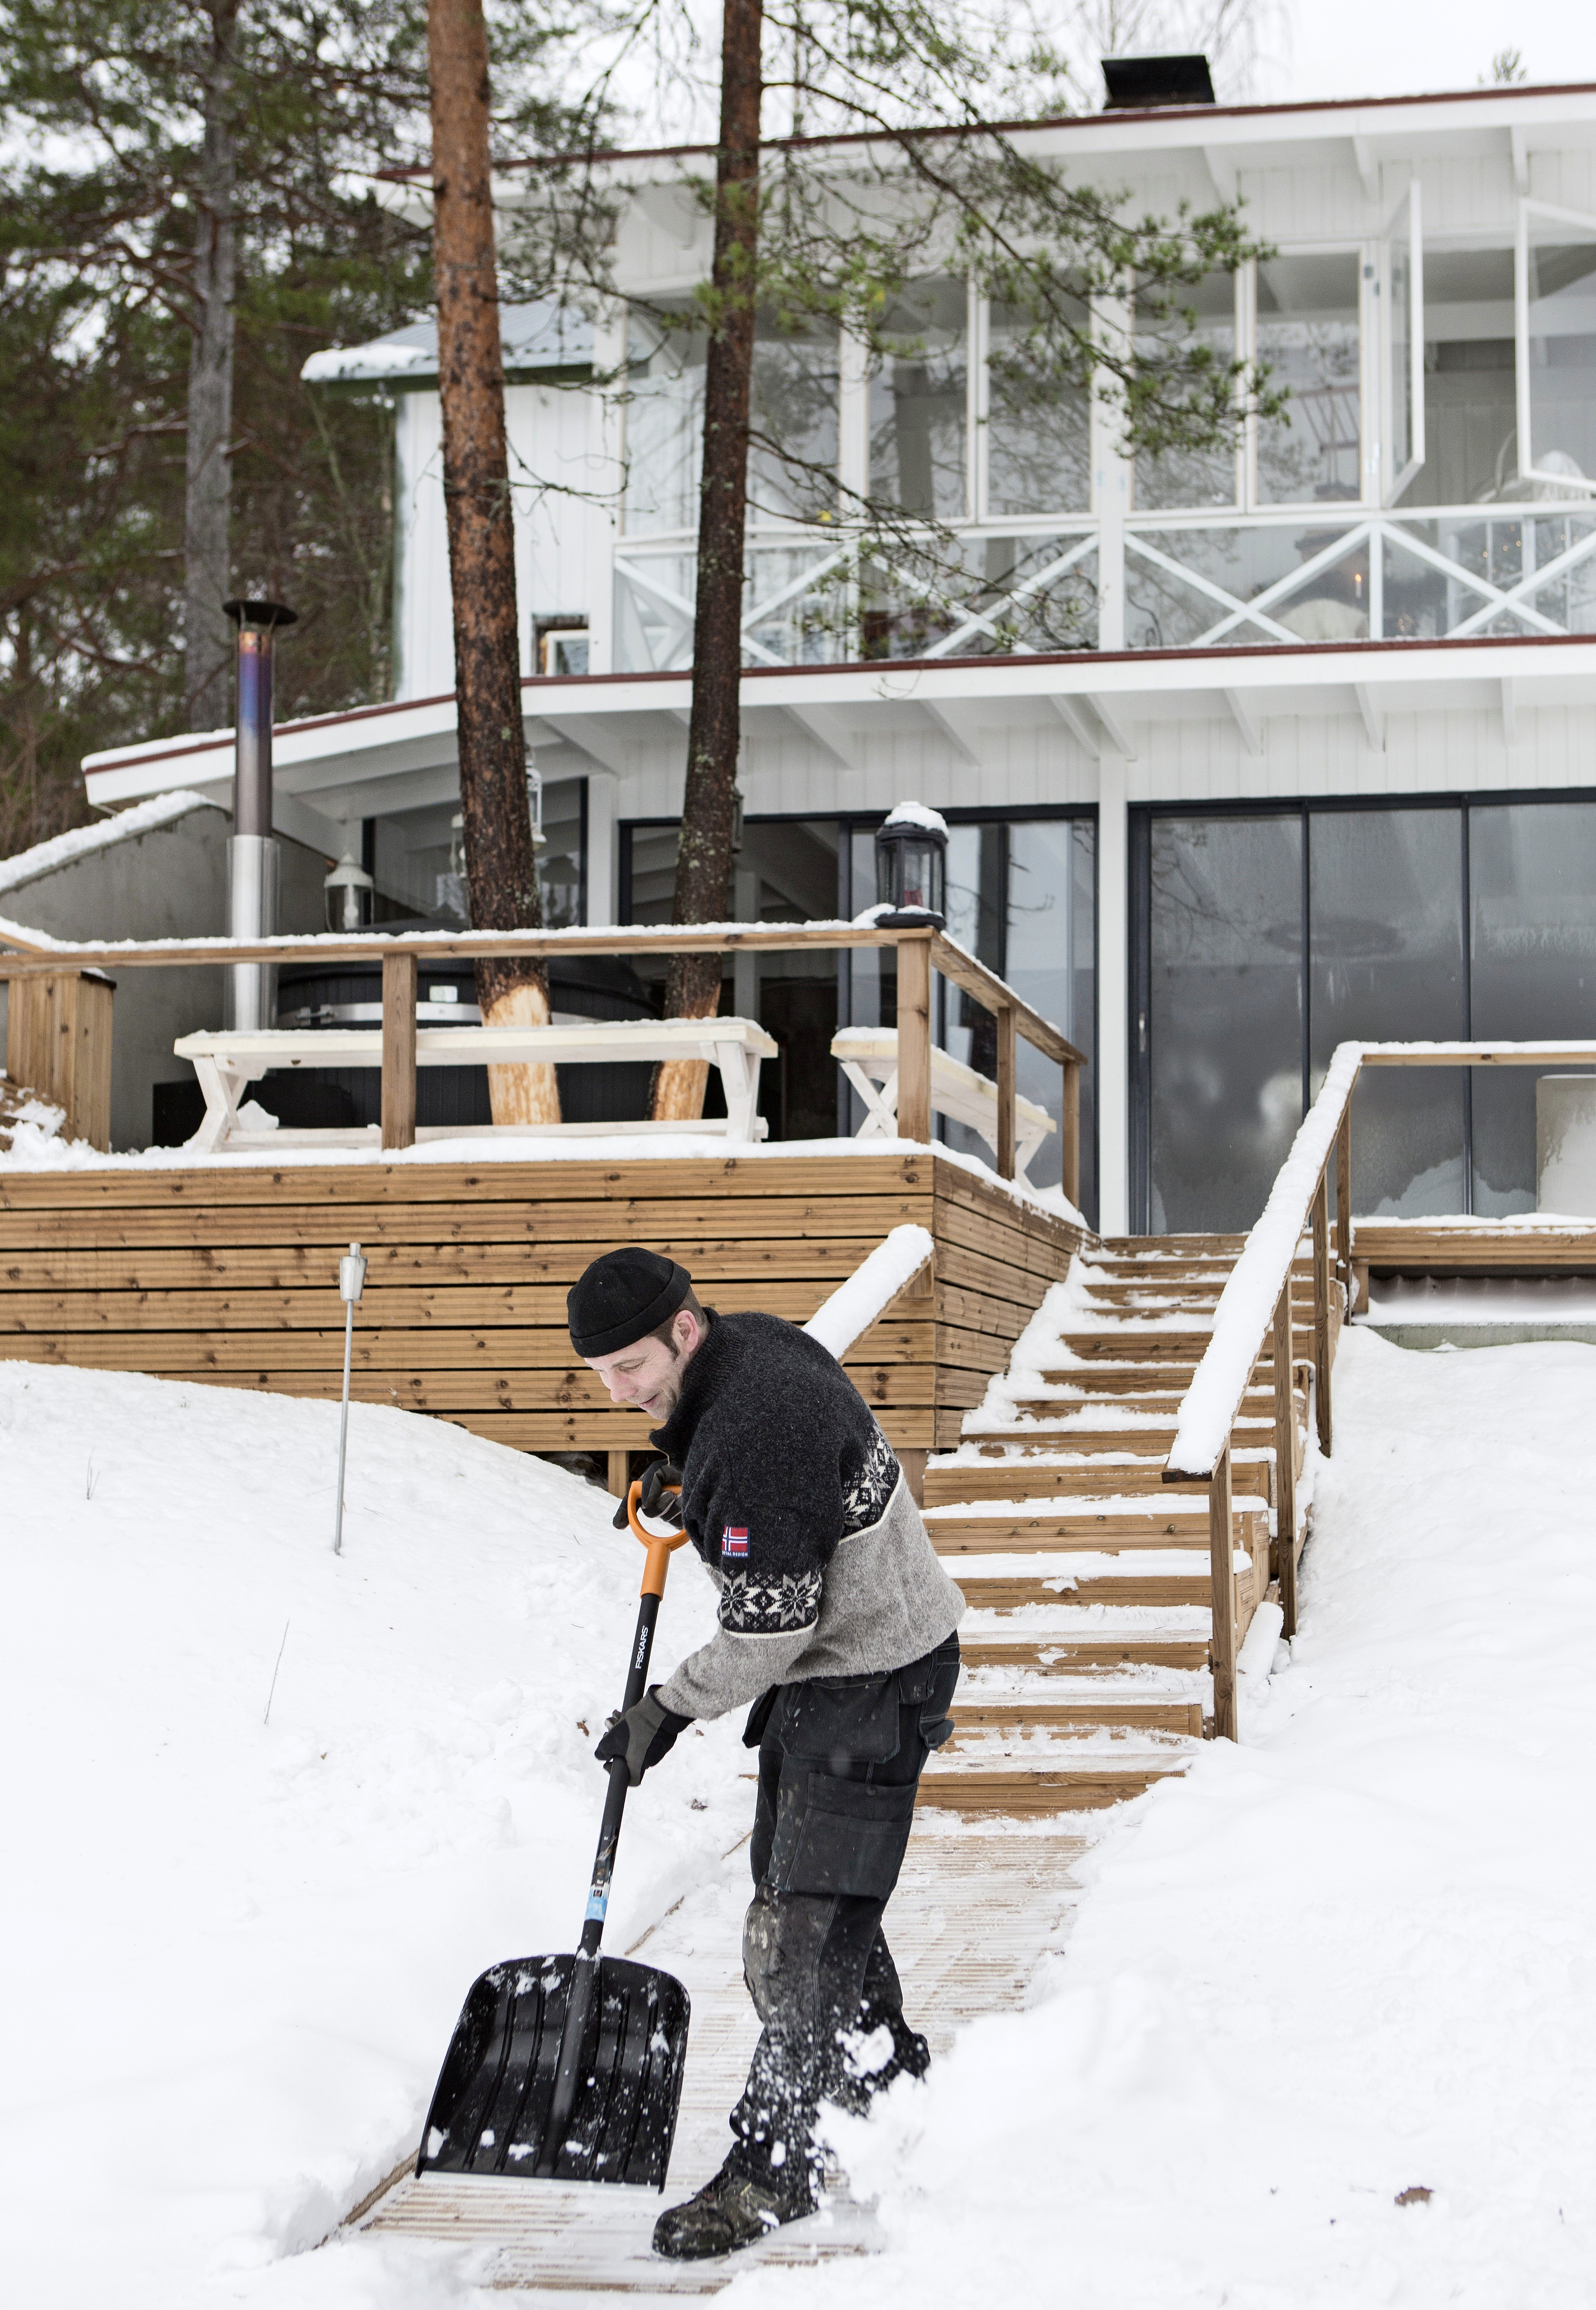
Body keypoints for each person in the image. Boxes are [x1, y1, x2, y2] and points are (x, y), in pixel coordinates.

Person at [567, 1245, 964, 2262]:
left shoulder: (756, 1425)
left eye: (633, 1368)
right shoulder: (748, 1350)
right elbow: (769, 1487)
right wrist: (685, 1472)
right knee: (802, 1901)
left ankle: (771, 2170)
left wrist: (664, 1710)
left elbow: (767, 1631)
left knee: (794, 1937)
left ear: (685, 1330)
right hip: (843, 1663)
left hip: (868, 1670)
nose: (620, 1391)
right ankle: (888, 2081)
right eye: (603, 1372)